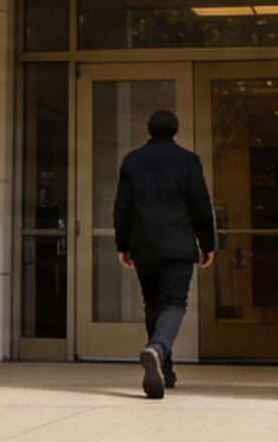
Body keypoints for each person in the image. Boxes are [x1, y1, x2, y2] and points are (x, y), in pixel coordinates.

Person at [112, 107, 215, 399]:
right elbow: (200, 205)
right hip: (178, 246)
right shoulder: (188, 161)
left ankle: (165, 371)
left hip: (144, 245)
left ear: (149, 130)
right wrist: (207, 244)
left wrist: (123, 244)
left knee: (153, 306)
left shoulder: (132, 161)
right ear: (175, 130)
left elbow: (121, 207)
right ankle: (157, 349)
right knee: (174, 303)